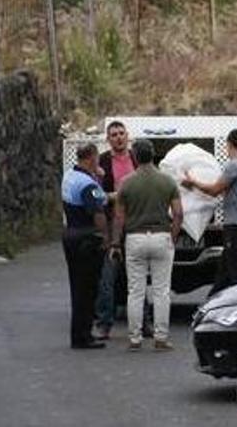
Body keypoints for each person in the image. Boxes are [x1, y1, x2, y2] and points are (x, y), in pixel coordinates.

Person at [113, 140, 183, 351]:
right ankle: (161, 338)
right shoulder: (168, 181)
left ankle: (135, 338)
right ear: (153, 155)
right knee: (162, 291)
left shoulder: (125, 183)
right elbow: (178, 213)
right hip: (161, 236)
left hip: (135, 237)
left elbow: (119, 218)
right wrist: (173, 235)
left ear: (134, 155)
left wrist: (117, 242)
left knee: (135, 291)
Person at [182, 129, 237, 294]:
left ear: (229, 144)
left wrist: (193, 183)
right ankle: (211, 302)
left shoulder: (234, 165)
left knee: (236, 271)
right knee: (224, 273)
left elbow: (214, 190)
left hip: (236, 226)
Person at [61, 143, 110, 350]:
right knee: (88, 290)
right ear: (91, 158)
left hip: (71, 233)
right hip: (87, 238)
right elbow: (98, 212)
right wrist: (106, 237)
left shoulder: (70, 176)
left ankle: (79, 333)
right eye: (97, 158)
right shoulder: (87, 184)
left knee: (77, 288)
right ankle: (83, 336)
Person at [93, 121, 137, 340]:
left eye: (121, 133)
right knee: (108, 276)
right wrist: (115, 196)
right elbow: (96, 194)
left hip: (136, 223)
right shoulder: (101, 162)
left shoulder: (137, 159)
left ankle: (144, 322)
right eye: (114, 135)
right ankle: (104, 324)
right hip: (112, 225)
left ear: (127, 136)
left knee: (137, 277)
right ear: (108, 139)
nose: (119, 137)